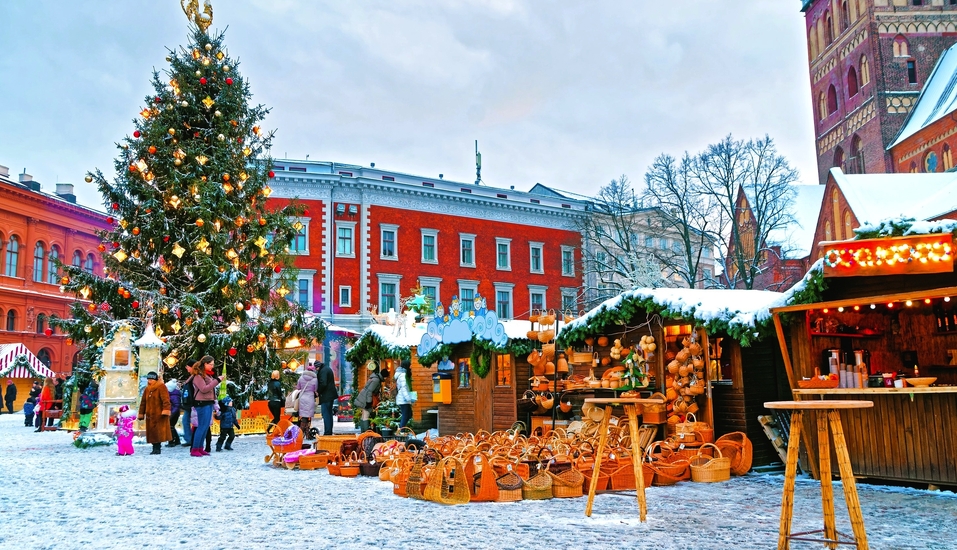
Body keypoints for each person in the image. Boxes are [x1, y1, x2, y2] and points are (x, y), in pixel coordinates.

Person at [186, 356, 221, 457]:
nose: (212, 366)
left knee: (205, 427)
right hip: (201, 403)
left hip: (208, 402)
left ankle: (200, 448)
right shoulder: (198, 376)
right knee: (201, 427)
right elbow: (204, 389)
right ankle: (195, 449)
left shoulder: (206, 375)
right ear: (205, 364)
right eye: (210, 364)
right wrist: (217, 381)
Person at [138, 371, 172, 455]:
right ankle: (154, 447)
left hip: (159, 414)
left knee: (158, 432)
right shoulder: (147, 389)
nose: (149, 381)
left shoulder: (161, 386)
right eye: (148, 379)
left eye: (151, 379)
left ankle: (157, 448)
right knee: (152, 432)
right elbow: (143, 402)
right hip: (150, 415)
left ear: (155, 379)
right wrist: (141, 413)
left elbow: (166, 400)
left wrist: (165, 410)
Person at [353, 367, 388, 433]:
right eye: (386, 377)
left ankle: (363, 432)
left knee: (363, 416)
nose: (386, 379)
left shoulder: (375, 378)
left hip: (363, 397)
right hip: (366, 399)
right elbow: (370, 391)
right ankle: (366, 433)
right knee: (366, 415)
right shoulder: (376, 380)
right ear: (384, 376)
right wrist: (369, 402)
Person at [315, 361, 339, 436]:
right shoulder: (326, 369)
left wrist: (318, 391)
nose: (316, 370)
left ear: (318, 367)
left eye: (316, 368)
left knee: (326, 414)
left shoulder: (323, 371)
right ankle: (328, 431)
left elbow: (323, 383)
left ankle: (327, 432)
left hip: (326, 396)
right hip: (329, 395)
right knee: (328, 414)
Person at [295, 363, 318, 439]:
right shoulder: (315, 379)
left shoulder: (301, 378)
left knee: (304, 416)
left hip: (302, 397)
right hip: (310, 398)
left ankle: (302, 433)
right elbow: (315, 389)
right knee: (308, 416)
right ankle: (306, 434)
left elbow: (298, 387)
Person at [394, 359, 416, 429]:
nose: (410, 367)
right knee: (406, 415)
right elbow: (404, 388)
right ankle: (401, 431)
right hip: (403, 399)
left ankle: (402, 430)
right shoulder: (403, 375)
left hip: (404, 398)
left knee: (408, 414)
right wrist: (408, 399)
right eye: (410, 365)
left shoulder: (404, 375)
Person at [166, 379, 182, 447]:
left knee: (170, 427)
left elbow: (176, 405)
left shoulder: (173, 395)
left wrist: (172, 414)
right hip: (174, 412)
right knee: (171, 427)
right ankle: (176, 440)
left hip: (173, 413)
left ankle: (171, 441)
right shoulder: (174, 394)